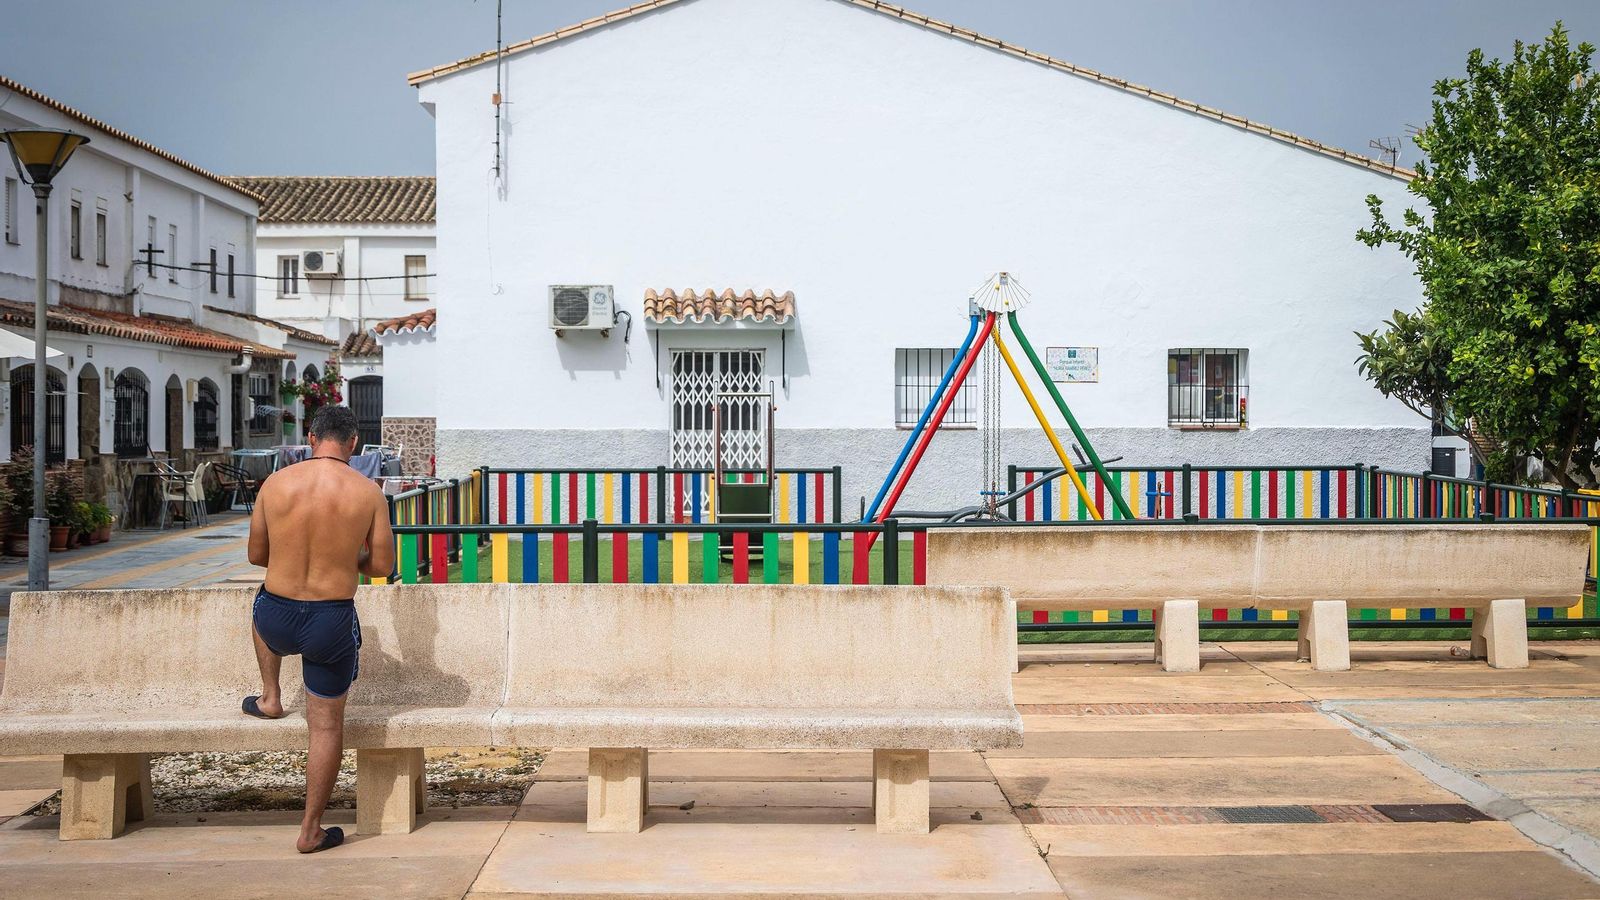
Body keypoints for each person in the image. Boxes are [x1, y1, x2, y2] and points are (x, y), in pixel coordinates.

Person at [240, 405, 395, 854]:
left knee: (260, 601)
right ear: (353, 444)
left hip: (276, 617)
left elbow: (256, 555)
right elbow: (383, 566)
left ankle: (270, 696)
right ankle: (310, 830)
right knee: (325, 728)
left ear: (310, 437)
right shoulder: (368, 492)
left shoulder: (275, 482)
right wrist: (345, 557)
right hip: (330, 619)